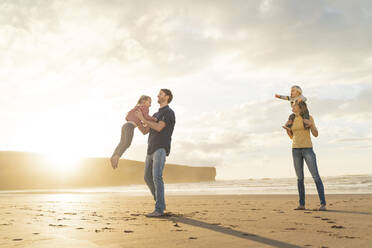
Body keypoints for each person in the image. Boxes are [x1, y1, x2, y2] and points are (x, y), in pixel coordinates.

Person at [136, 89, 175, 217]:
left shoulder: (168, 112)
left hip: (160, 148)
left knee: (157, 177)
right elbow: (145, 130)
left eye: (161, 94)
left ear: (167, 97)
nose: (158, 96)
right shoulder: (155, 114)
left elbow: (159, 127)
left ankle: (159, 209)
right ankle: (160, 204)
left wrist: (144, 119)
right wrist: (138, 120)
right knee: (147, 177)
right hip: (150, 149)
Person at [283, 102, 326, 211]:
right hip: (295, 149)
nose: (292, 106)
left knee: (315, 176)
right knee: (300, 178)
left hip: (307, 149)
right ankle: (301, 205)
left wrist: (311, 125)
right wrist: (288, 130)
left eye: (294, 105)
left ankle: (323, 204)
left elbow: (316, 134)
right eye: (292, 105)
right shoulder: (292, 119)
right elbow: (292, 137)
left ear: (300, 107)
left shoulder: (308, 117)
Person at [110, 95, 157, 169]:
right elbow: (146, 116)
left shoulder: (136, 108)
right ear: (143, 101)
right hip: (130, 127)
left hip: (125, 126)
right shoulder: (144, 108)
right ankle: (117, 156)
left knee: (122, 142)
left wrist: (142, 122)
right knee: (127, 143)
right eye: (149, 102)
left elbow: (129, 117)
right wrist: (154, 119)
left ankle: (113, 156)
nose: (150, 105)